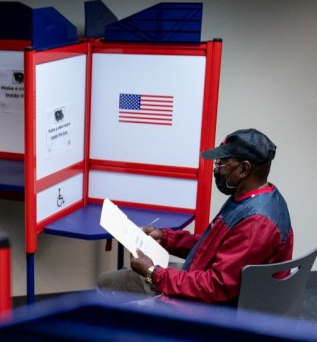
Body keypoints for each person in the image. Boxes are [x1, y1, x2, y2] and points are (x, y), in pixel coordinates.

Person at [97, 128, 293, 305]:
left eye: (223, 163)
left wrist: (153, 273)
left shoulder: (257, 223)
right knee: (111, 281)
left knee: (112, 290)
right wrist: (166, 238)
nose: (218, 169)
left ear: (244, 169)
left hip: (213, 308)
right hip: (209, 287)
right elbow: (214, 244)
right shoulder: (254, 197)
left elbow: (216, 286)